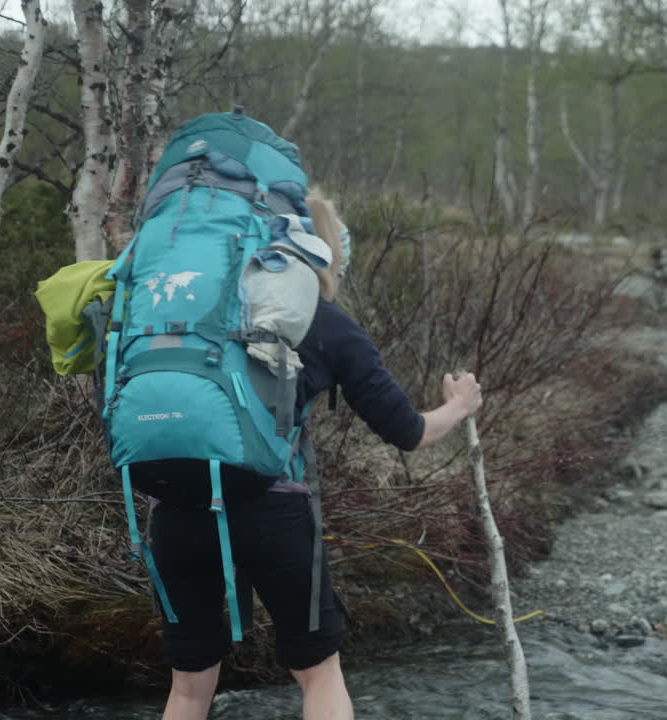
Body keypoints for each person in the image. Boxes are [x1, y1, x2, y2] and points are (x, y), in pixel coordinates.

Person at [148, 192, 482, 720]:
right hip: (270, 509)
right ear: (325, 257)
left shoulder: (183, 311)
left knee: (189, 686)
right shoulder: (324, 323)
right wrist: (458, 407)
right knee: (318, 673)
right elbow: (408, 432)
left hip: (175, 507)